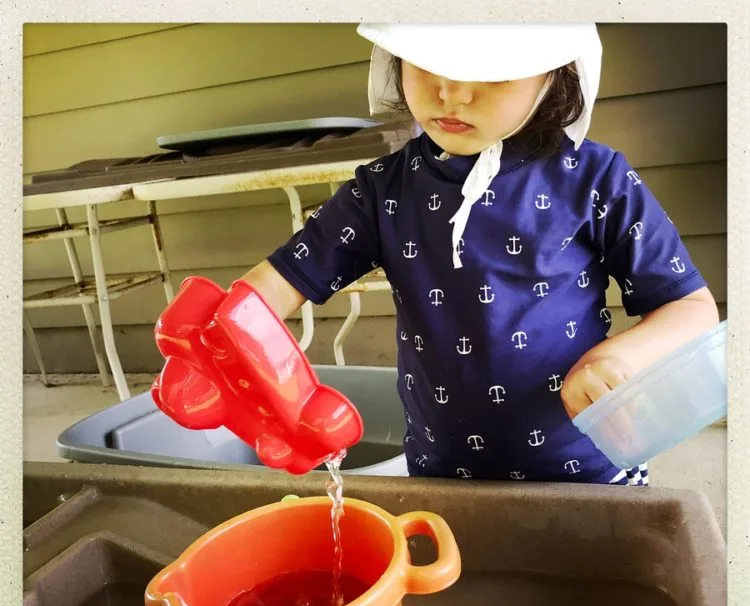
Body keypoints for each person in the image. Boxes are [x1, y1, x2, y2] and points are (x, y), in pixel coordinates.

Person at [240, 23, 719, 485]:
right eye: (427, 62)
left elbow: (690, 308)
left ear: (554, 73)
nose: (453, 92)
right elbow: (277, 286)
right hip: (440, 474)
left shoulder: (596, 178)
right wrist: (224, 329)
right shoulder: (380, 191)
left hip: (590, 470)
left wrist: (615, 363)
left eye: (492, 72)